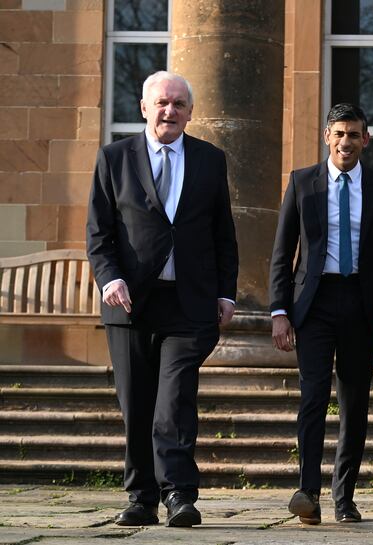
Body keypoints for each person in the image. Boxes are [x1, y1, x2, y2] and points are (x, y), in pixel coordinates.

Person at [86, 71, 238, 527]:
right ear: (144, 107)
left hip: (189, 304)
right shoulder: (114, 158)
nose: (169, 111)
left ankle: (179, 494)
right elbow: (98, 233)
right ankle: (141, 497)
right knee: (136, 404)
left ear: (190, 113)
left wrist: (227, 292)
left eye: (178, 104)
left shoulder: (210, 160)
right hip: (131, 303)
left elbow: (222, 234)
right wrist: (109, 278)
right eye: (162, 103)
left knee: (174, 400)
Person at [269, 103, 373, 524]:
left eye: (354, 134)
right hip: (314, 305)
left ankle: (344, 496)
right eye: (339, 133)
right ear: (327, 136)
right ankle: (307, 492)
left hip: (361, 307)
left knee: (354, 403)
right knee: (312, 398)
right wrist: (279, 311)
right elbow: (281, 252)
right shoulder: (302, 183)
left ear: (366, 139)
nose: (346, 142)